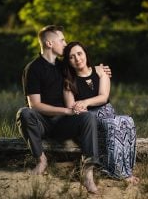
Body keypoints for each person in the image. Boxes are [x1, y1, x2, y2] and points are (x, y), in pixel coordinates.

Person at [16, 25, 111, 193]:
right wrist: (67, 111)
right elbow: (35, 105)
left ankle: (88, 173)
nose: (65, 44)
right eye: (62, 40)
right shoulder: (33, 68)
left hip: (64, 124)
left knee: (88, 117)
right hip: (42, 123)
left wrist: (99, 70)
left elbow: (83, 68)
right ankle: (41, 160)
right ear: (49, 43)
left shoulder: (63, 67)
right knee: (24, 113)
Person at [62, 41, 139, 184]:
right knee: (115, 124)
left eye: (79, 54)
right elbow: (71, 106)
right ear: (68, 61)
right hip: (89, 118)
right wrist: (80, 107)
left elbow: (103, 96)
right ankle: (119, 173)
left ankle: (127, 169)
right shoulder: (69, 81)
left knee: (127, 120)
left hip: (107, 112)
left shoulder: (100, 71)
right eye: (72, 57)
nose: (77, 59)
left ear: (85, 54)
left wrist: (85, 102)